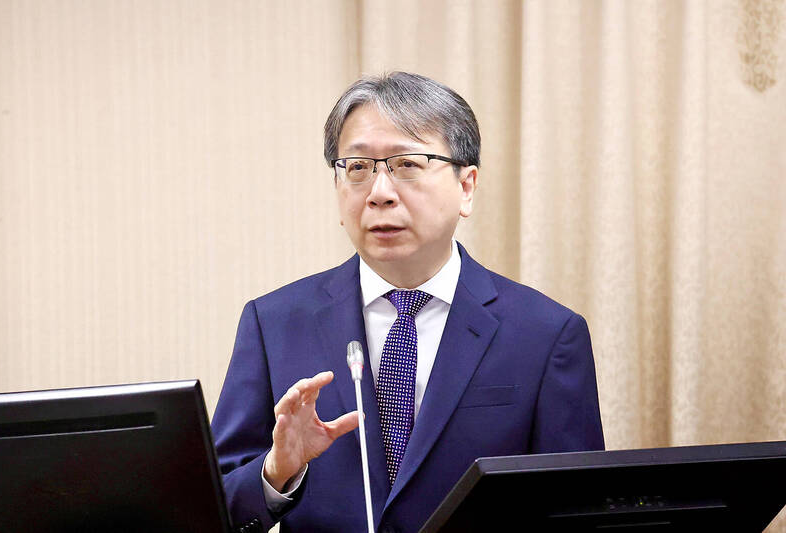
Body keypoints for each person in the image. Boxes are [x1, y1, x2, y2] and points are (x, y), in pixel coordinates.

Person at [211, 71, 604, 533]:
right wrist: (276, 473)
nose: (379, 193)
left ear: (466, 187)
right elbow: (212, 506)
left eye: (407, 165)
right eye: (357, 168)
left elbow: (579, 511)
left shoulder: (546, 335)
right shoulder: (274, 323)